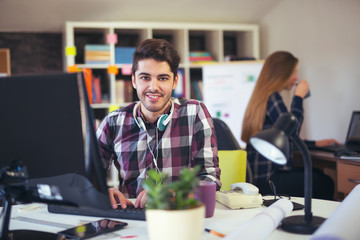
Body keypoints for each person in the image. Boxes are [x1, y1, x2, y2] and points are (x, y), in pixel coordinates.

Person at [96, 38, 221, 209]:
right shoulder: (113, 122)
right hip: (131, 215)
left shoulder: (195, 113)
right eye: (145, 77)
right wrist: (103, 192)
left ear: (175, 81)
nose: (153, 87)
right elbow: (87, 180)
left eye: (162, 78)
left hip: (179, 212)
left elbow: (210, 179)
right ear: (134, 80)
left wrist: (171, 193)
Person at [241, 51, 339, 199]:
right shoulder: (273, 98)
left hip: (259, 179)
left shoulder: (261, 98)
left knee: (317, 174)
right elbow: (291, 132)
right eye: (294, 72)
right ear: (283, 74)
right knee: (326, 183)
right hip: (271, 180)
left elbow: (284, 139)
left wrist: (315, 143)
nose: (296, 78)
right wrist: (298, 97)